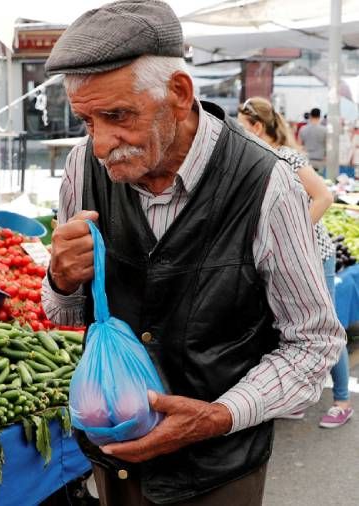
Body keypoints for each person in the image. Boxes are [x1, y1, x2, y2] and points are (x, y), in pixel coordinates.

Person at [41, 1, 345, 504]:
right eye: (87, 121)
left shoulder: (266, 184)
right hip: (113, 461)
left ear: (179, 94)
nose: (100, 144)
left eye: (117, 116)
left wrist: (217, 416)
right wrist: (61, 278)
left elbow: (313, 343)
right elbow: (66, 313)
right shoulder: (82, 169)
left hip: (218, 472)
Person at [237, 97, 350, 428]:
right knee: (288, 325)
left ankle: (342, 400)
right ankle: (298, 399)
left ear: (258, 127)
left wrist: (293, 235)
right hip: (284, 260)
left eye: (244, 128)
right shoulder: (255, 160)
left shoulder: (286, 157)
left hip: (317, 255)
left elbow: (325, 196)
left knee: (323, 326)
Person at [299, 107, 327, 172]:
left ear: (310, 116)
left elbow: (299, 145)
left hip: (306, 161)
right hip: (320, 160)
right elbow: (327, 145)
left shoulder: (303, 129)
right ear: (320, 116)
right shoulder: (324, 130)